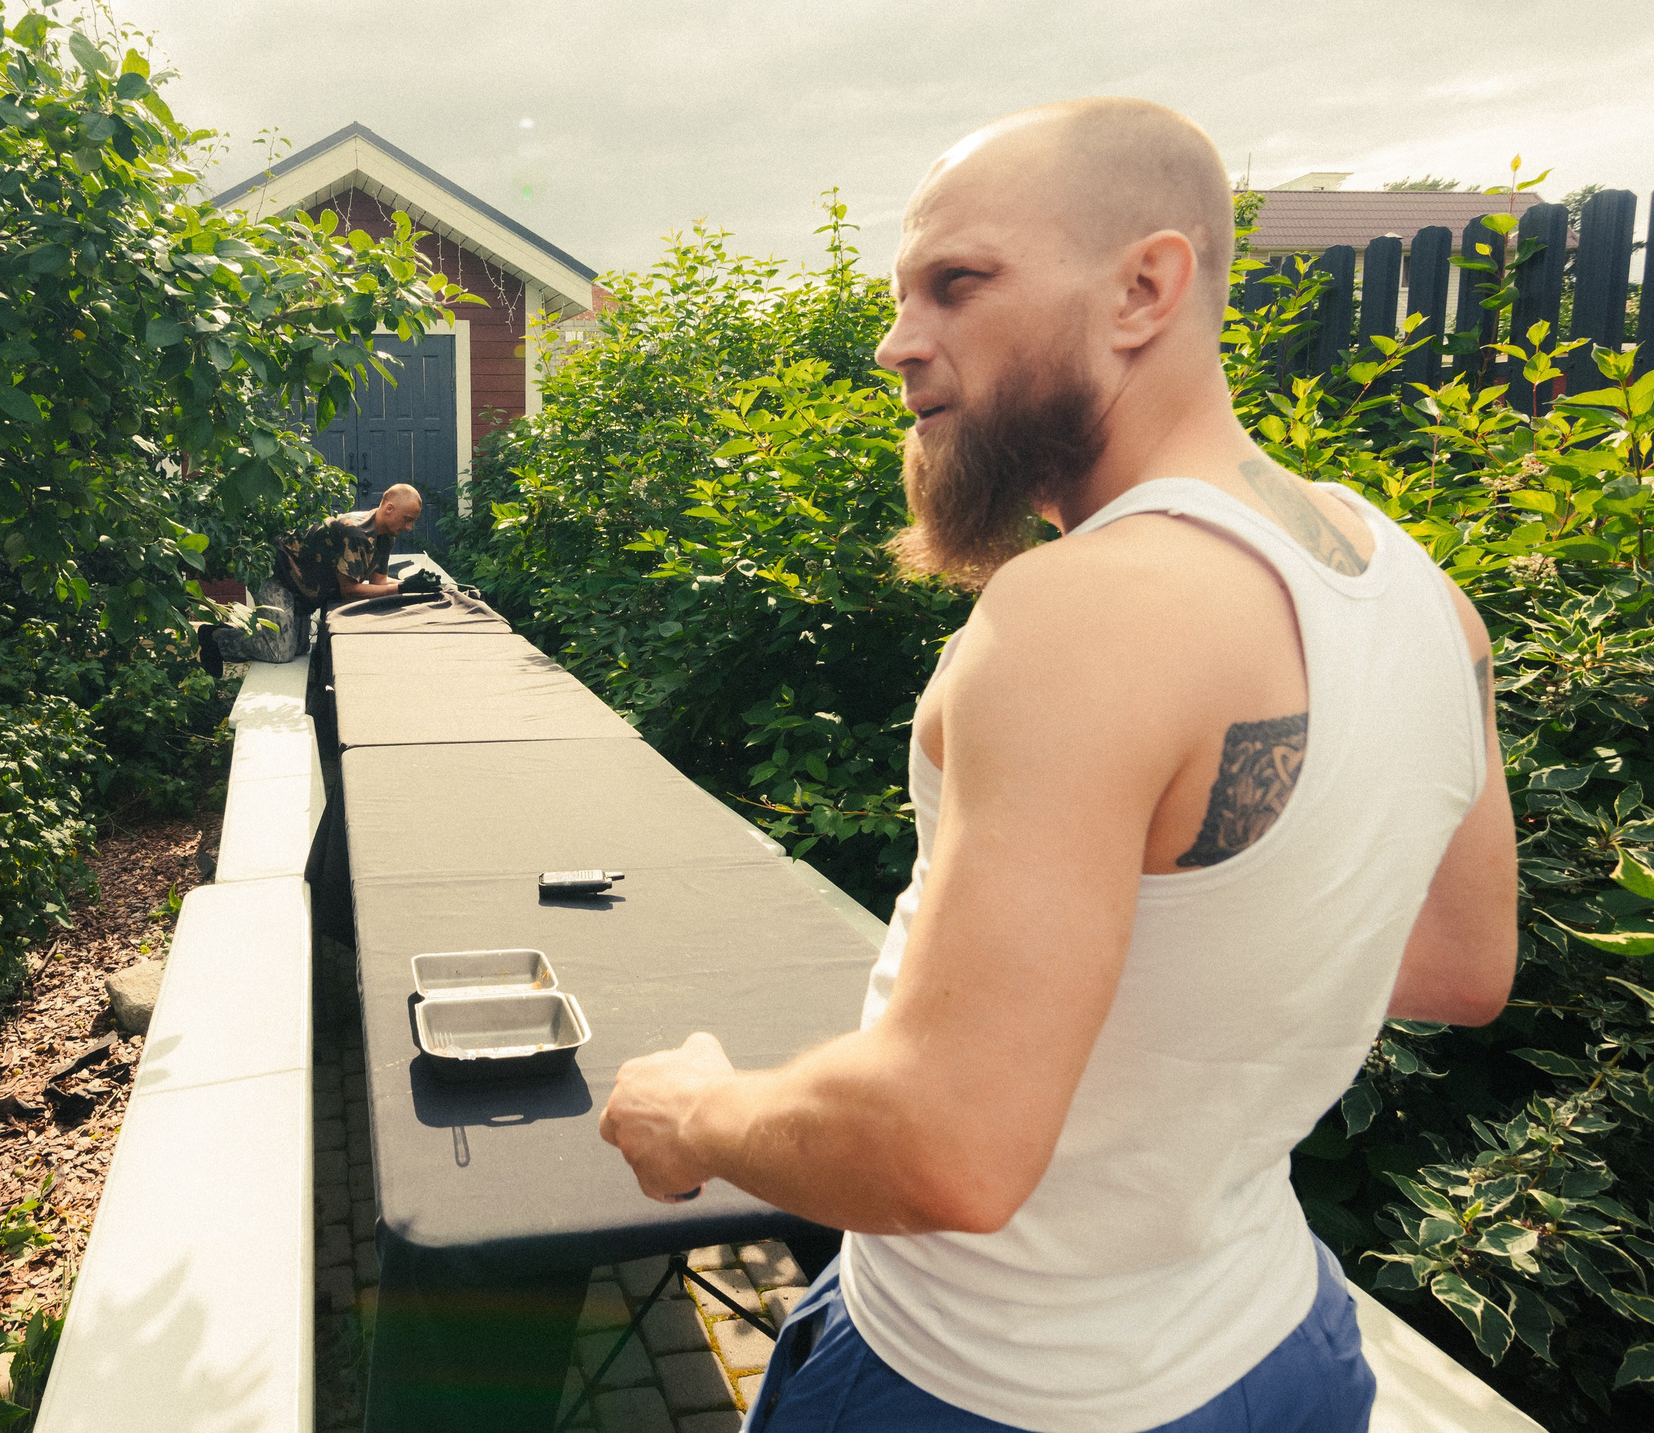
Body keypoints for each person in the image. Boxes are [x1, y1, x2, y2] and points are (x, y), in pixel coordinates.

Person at [598, 99, 1517, 1433]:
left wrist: (701, 1113)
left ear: (1145, 286)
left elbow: (947, 1147)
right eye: (902, 294)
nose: (896, 343)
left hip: (986, 1387)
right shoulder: (1425, 597)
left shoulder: (1078, 612)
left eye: (956, 284)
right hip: (1280, 1353)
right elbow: (1457, 965)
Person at [200, 483, 425, 669]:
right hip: (275, 575)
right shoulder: (355, 532)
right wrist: (403, 589)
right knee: (280, 651)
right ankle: (217, 637)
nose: (409, 528)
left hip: (302, 587)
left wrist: (416, 585)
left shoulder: (385, 537)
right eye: (407, 519)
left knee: (299, 648)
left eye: (413, 521)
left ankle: (240, 634)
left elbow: (379, 583)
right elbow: (350, 591)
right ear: (389, 508)